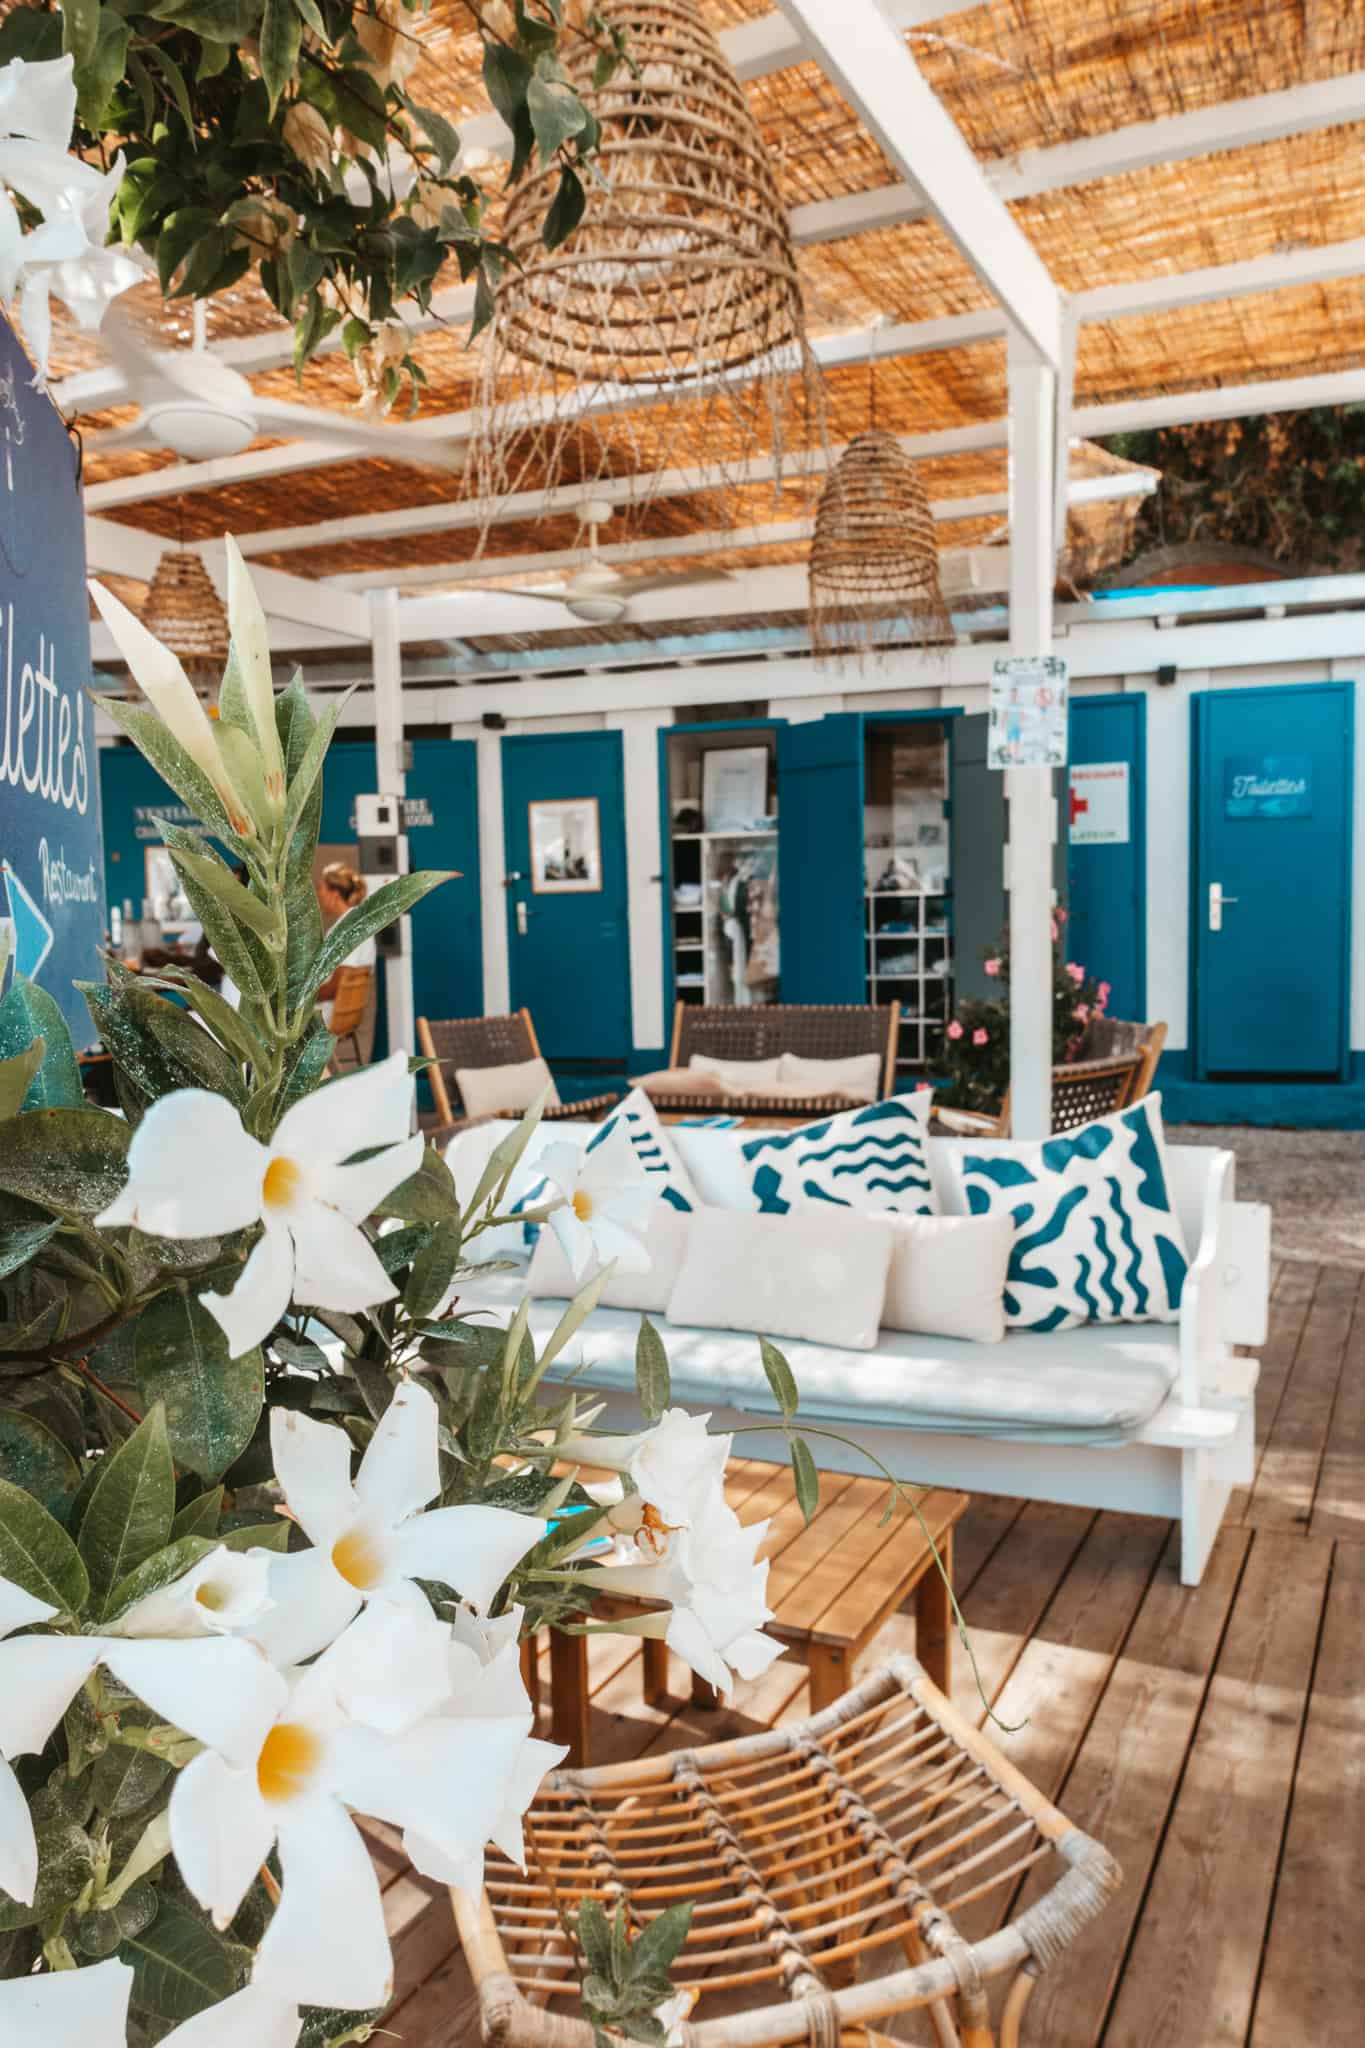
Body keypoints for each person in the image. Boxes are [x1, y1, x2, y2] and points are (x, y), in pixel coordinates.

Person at [315, 861, 375, 1030]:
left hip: (328, 1014)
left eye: (321, 888)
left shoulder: (347, 929)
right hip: (342, 1013)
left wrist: (301, 997)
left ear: (334, 894)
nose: (318, 895)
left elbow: (336, 985)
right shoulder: (359, 923)